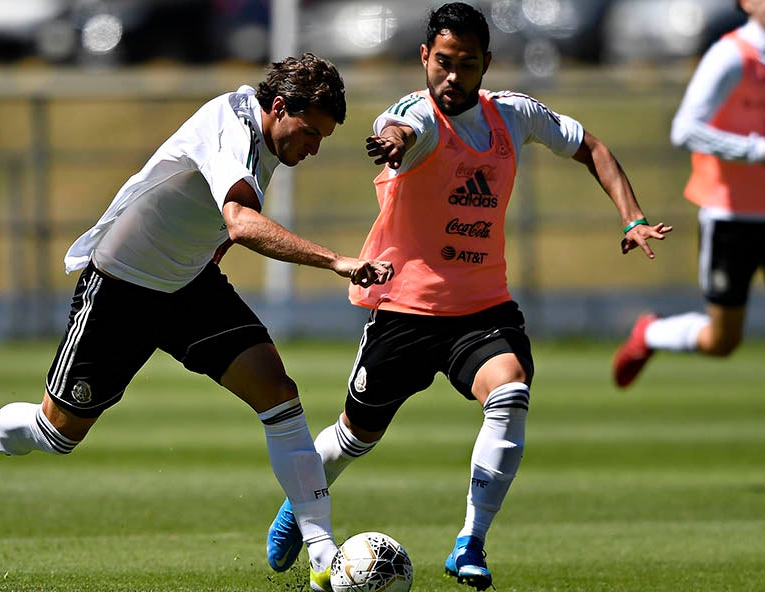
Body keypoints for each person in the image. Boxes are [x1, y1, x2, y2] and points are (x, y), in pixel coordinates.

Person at [0, 53, 394, 592]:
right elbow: (241, 222)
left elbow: (212, 216)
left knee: (278, 391)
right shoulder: (233, 124)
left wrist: (210, 253)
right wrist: (337, 261)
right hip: (121, 287)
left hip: (189, 287)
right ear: (279, 107)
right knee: (56, 433)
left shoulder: (270, 140)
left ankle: (322, 556)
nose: (314, 148)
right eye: (312, 133)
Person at [264, 4, 672, 590]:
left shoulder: (514, 115)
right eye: (444, 63)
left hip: (481, 309)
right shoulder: (411, 116)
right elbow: (405, 128)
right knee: (355, 436)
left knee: (509, 392)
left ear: (487, 65)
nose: (453, 77)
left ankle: (470, 542)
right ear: (425, 58)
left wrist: (632, 218)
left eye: (468, 65)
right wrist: (395, 142)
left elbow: (592, 148)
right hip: (403, 308)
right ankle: (298, 503)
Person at [612, 0, 765, 389]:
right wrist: (754, 150)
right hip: (732, 218)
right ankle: (651, 333)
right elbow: (685, 129)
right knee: (722, 340)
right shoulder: (732, 55)